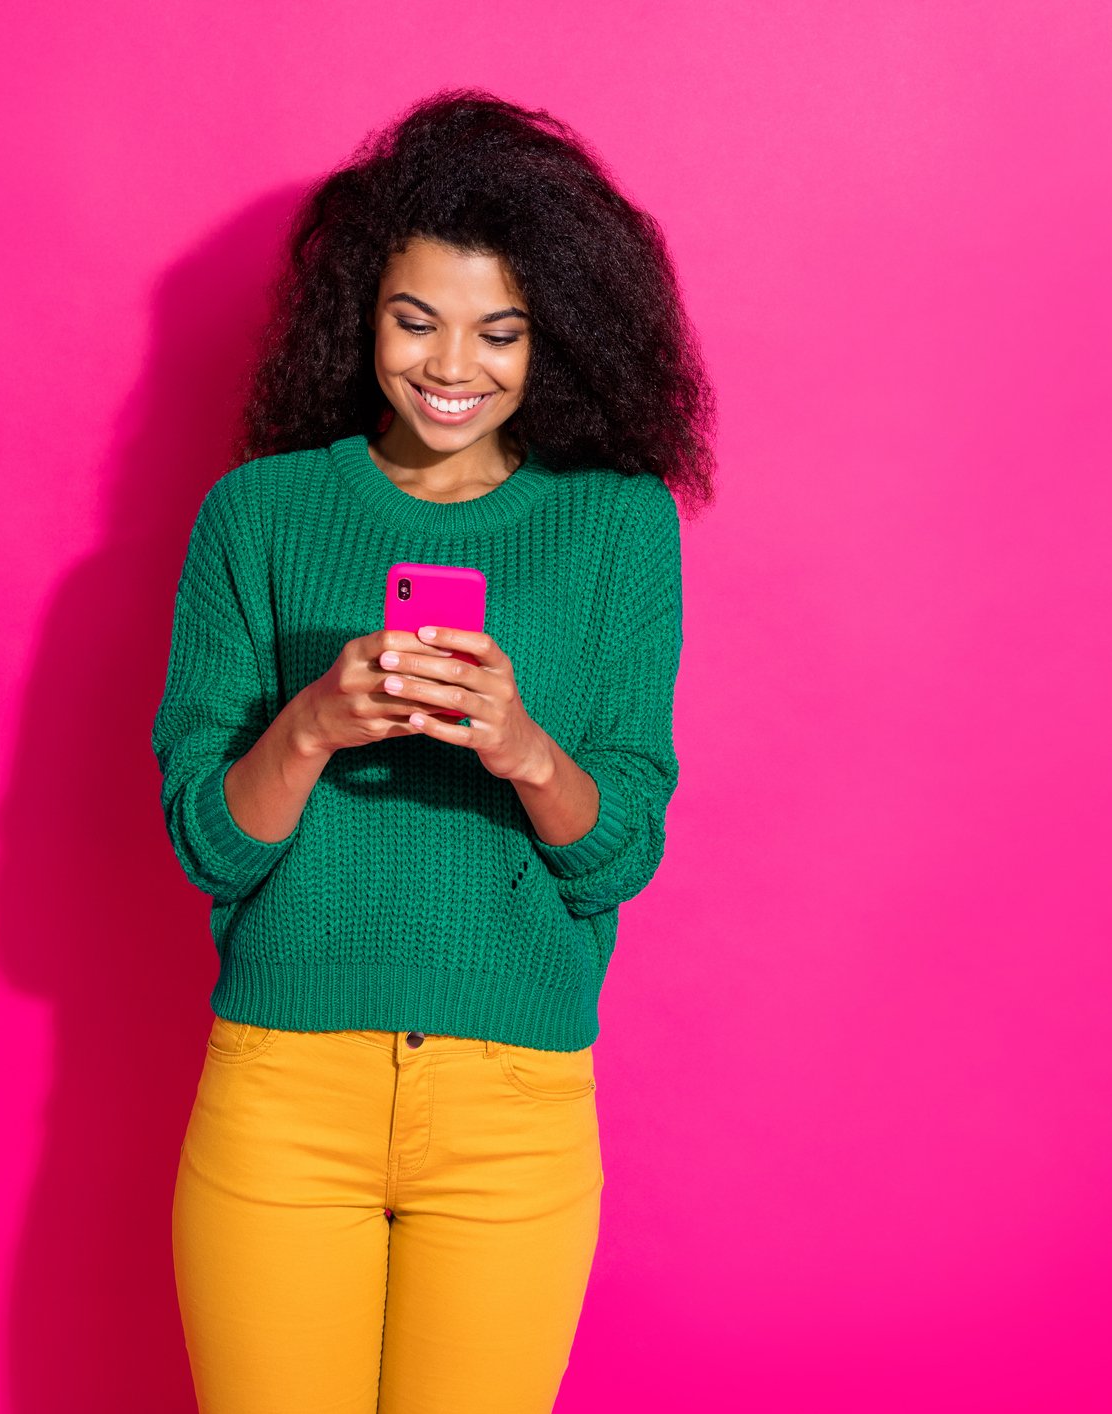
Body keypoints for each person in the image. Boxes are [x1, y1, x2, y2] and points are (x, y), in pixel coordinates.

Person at [149, 88, 715, 1414]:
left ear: (556, 339)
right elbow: (204, 837)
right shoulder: (259, 515)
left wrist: (522, 745)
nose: (449, 362)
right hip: (283, 1091)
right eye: (415, 319)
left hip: (512, 1105)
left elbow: (620, 846)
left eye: (498, 330)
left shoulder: (617, 526)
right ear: (359, 314)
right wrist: (313, 721)